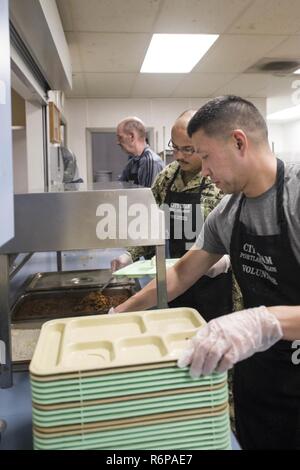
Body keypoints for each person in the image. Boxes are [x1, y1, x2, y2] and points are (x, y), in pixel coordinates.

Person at [111, 95, 300, 450]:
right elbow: (181, 275)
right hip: (258, 377)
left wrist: (261, 321)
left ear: (239, 142)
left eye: (205, 156)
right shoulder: (227, 214)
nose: (204, 170)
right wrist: (120, 313)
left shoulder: (295, 197)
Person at [112, 109, 236, 321]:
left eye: (187, 149)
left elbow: (245, 239)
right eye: (175, 147)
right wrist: (130, 255)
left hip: (218, 285)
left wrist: (227, 260)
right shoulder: (167, 176)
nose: (178, 155)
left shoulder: (223, 180)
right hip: (177, 279)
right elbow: (150, 223)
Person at [117, 116, 164, 187]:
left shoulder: (150, 161)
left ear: (132, 136)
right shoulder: (132, 162)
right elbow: (122, 188)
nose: (117, 142)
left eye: (120, 137)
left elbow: (147, 196)